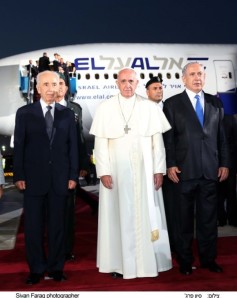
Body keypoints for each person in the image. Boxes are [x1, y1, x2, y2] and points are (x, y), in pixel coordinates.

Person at [90, 68, 172, 279]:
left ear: (137, 84)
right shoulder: (106, 107)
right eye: (123, 81)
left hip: (146, 173)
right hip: (117, 173)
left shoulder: (149, 107)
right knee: (118, 217)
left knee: (147, 214)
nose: (128, 85)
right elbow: (100, 144)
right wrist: (104, 171)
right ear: (117, 83)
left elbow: (157, 142)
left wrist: (159, 169)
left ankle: (148, 264)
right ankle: (119, 264)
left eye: (132, 81)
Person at [163, 62, 229, 275]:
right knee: (182, 220)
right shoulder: (172, 104)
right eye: (192, 74)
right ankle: (184, 260)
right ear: (183, 79)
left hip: (210, 172)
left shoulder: (215, 103)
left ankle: (209, 259)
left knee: (208, 220)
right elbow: (169, 139)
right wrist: (170, 164)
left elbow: (222, 138)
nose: (197, 77)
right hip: (182, 172)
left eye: (200, 73)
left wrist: (225, 163)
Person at [13, 71, 78, 285]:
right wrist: (19, 174)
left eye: (55, 84)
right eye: (46, 84)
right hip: (33, 180)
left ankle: (56, 268)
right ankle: (36, 269)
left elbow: (73, 149)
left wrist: (72, 175)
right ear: (38, 88)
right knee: (33, 228)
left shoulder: (67, 114)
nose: (52, 88)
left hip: (60, 179)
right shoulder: (24, 113)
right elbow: (20, 146)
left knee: (58, 227)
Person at [55, 73, 92, 261]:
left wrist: (83, 163)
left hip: (69, 168)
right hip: (49, 168)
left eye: (62, 83)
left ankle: (67, 249)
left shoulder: (75, 109)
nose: (59, 87)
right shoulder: (43, 108)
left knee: (69, 211)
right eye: (56, 84)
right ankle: (54, 247)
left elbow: (79, 138)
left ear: (67, 87)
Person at [146, 76, 177, 254]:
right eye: (155, 88)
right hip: (152, 167)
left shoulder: (169, 108)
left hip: (170, 166)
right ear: (147, 92)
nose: (159, 91)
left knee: (172, 208)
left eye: (160, 88)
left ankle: (171, 244)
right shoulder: (143, 109)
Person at [217, 114, 237, 226]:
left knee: (229, 193)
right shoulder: (230, 118)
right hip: (215, 163)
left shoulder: (229, 119)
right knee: (221, 193)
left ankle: (229, 219)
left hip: (230, 163)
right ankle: (224, 219)